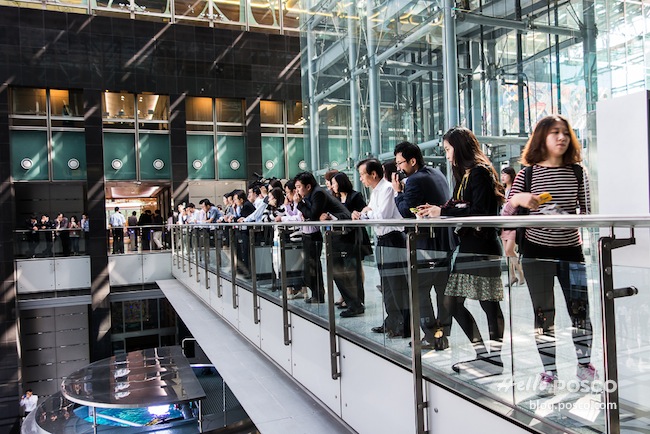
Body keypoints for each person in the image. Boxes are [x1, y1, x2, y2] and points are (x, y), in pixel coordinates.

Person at [501, 114, 594, 393]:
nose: (562, 137)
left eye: (565, 133)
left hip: (571, 250)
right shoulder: (527, 173)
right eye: (555, 132)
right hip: (535, 250)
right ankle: (549, 372)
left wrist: (570, 219)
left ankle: (584, 364)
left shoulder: (578, 172)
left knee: (580, 310)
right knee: (544, 314)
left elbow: (587, 213)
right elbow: (508, 207)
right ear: (542, 137)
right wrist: (519, 198)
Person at [418, 127, 506, 373]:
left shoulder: (479, 173)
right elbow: (461, 205)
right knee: (454, 304)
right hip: (470, 245)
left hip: (481, 246)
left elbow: (479, 211)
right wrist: (437, 208)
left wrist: (443, 211)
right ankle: (484, 354)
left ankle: (494, 359)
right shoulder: (466, 174)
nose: (446, 155)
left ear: (460, 147)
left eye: (448, 149)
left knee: (487, 304)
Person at [391, 141, 457, 350]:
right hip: (445, 241)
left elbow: (405, 212)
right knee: (442, 290)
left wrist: (398, 192)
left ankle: (431, 336)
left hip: (426, 243)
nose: (399, 168)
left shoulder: (414, 181)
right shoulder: (437, 173)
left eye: (401, 163)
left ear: (412, 161)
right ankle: (442, 334)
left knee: (419, 290)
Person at [354, 159, 409, 338]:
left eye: (363, 174)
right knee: (386, 284)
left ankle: (403, 324)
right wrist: (366, 213)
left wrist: (366, 213)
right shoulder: (376, 191)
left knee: (396, 284)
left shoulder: (386, 189)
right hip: (382, 239)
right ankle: (392, 321)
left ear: (374, 174)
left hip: (393, 239)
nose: (361, 178)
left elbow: (380, 216)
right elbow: (370, 212)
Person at [295, 172, 361, 316]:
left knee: (341, 272)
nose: (298, 191)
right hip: (337, 233)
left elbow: (312, 216)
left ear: (308, 186)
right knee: (337, 272)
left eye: (299, 187)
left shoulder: (317, 194)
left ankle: (355, 305)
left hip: (344, 233)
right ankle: (353, 303)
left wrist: (300, 204)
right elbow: (314, 215)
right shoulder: (313, 194)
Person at [331, 172, 371, 308]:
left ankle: (357, 299)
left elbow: (364, 212)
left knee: (355, 268)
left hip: (355, 236)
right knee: (345, 269)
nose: (333, 186)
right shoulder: (335, 198)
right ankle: (347, 297)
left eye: (335, 183)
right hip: (342, 237)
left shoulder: (355, 196)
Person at [500, 166, 525, 286]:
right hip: (503, 223)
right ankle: (512, 276)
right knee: (506, 252)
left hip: (513, 223)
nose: (503, 177)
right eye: (502, 174)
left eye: (505, 174)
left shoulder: (516, 189)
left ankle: (521, 274)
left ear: (511, 175)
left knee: (510, 250)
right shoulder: (501, 190)